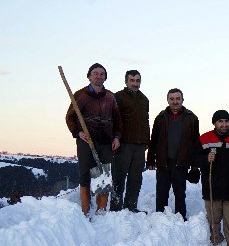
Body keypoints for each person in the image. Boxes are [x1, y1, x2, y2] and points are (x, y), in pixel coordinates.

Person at [65, 63, 121, 216]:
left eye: (102, 74)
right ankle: (85, 210)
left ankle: (101, 210)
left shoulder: (110, 97)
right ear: (89, 76)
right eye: (95, 73)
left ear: (105, 77)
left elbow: (117, 120)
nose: (99, 76)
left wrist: (116, 137)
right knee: (85, 173)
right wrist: (78, 133)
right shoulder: (80, 95)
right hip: (86, 141)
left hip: (106, 141)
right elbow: (70, 117)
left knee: (103, 174)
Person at [147, 88, 200, 220]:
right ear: (168, 100)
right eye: (172, 99)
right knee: (162, 192)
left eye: (177, 98)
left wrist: (194, 165)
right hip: (163, 161)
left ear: (182, 99)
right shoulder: (160, 118)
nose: (175, 101)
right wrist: (150, 159)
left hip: (181, 162)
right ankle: (159, 217)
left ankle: (180, 218)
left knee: (180, 192)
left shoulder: (191, 118)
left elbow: (196, 143)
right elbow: (153, 140)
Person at [198, 110, 229, 246]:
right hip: (212, 187)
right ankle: (216, 240)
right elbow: (193, 158)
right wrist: (205, 159)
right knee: (214, 218)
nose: (224, 124)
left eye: (226, 121)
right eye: (220, 121)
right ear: (214, 123)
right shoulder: (205, 138)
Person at [111, 70, 149, 213]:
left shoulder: (144, 99)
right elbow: (114, 119)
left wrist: (147, 141)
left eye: (137, 80)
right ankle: (115, 208)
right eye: (132, 80)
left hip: (140, 145)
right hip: (123, 143)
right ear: (126, 82)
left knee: (135, 178)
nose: (135, 83)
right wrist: (115, 138)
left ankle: (131, 206)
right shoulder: (118, 97)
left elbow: (146, 121)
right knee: (119, 176)